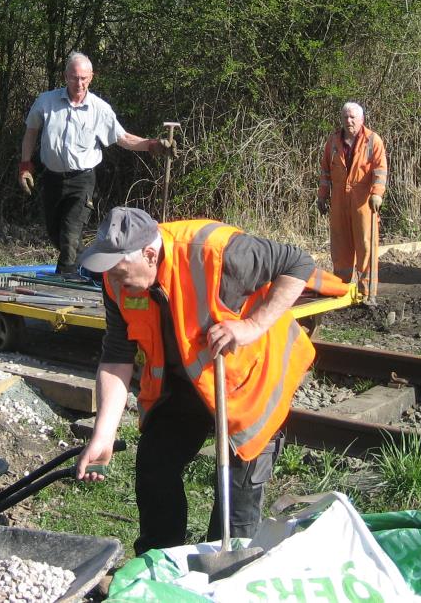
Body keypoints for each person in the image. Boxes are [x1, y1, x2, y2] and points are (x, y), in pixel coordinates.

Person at [72, 207, 350, 555]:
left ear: (149, 254)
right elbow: (116, 357)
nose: (112, 282)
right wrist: (104, 435)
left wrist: (250, 326)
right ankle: (160, 567)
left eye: (119, 273)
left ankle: (228, 572)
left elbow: (298, 263)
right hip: (188, 384)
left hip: (248, 385)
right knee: (155, 467)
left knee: (234, 508)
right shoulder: (118, 281)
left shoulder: (218, 253)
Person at [19, 52, 172, 279]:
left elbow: (123, 138)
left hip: (82, 181)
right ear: (65, 77)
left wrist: (153, 145)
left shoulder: (100, 109)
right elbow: (30, 131)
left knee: (70, 232)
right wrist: (25, 165)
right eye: (73, 78)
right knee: (56, 234)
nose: (78, 83)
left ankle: (65, 279)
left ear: (91, 77)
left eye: (83, 78)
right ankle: (100, 272)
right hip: (52, 178)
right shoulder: (46, 101)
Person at [316, 101, 388, 298]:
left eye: (352, 117)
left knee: (366, 245)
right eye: (345, 117)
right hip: (339, 201)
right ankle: (341, 292)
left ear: (361, 119)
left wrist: (376, 194)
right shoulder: (332, 142)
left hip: (363, 201)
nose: (349, 121)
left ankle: (367, 294)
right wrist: (322, 196)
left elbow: (380, 170)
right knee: (340, 247)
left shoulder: (373, 141)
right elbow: (325, 172)